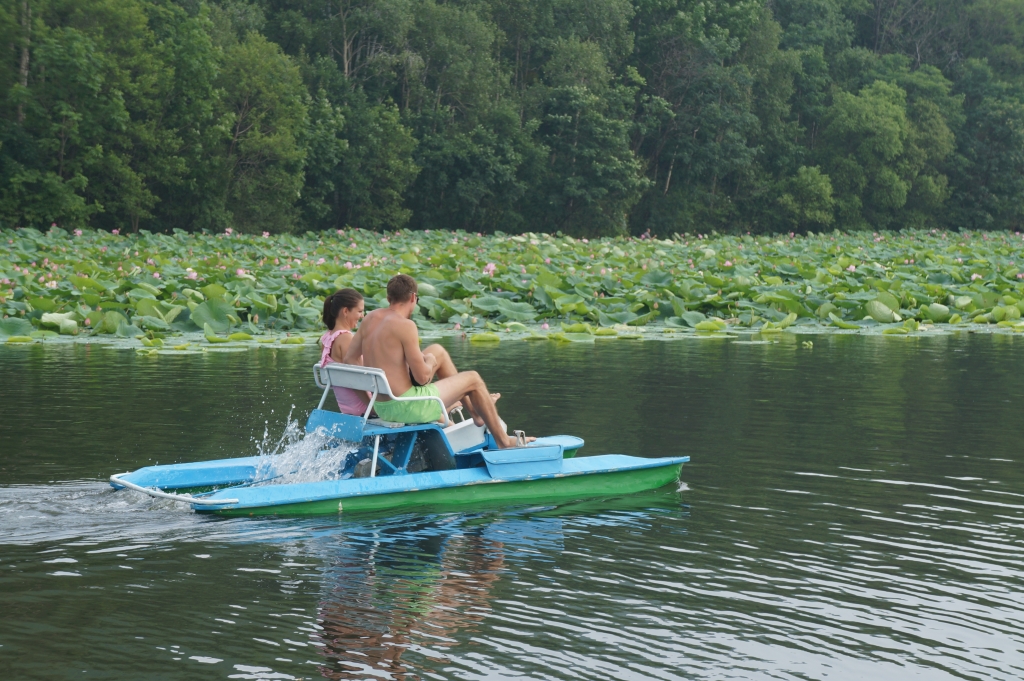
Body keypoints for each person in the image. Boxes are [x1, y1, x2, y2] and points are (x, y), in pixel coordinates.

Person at [345, 274, 530, 448]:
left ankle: (475, 412)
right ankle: (503, 441)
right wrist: (430, 362)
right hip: (408, 406)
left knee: (438, 351)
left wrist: (379, 380)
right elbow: (423, 377)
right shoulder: (405, 325)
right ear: (413, 298)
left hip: (382, 405)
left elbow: (349, 358)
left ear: (388, 299)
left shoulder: (370, 318)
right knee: (473, 378)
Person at [319, 288, 372, 416]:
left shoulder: (327, 338)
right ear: (345, 311)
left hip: (347, 408)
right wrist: (372, 407)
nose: (362, 316)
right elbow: (355, 380)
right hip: (363, 407)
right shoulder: (347, 338)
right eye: (359, 311)